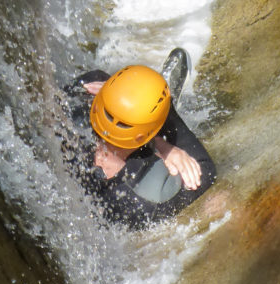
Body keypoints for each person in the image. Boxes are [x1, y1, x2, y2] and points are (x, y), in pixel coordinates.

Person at [65, 49, 216, 229]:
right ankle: (162, 107)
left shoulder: (74, 102)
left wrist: (113, 92)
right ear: (142, 136)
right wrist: (163, 144)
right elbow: (205, 170)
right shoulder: (145, 197)